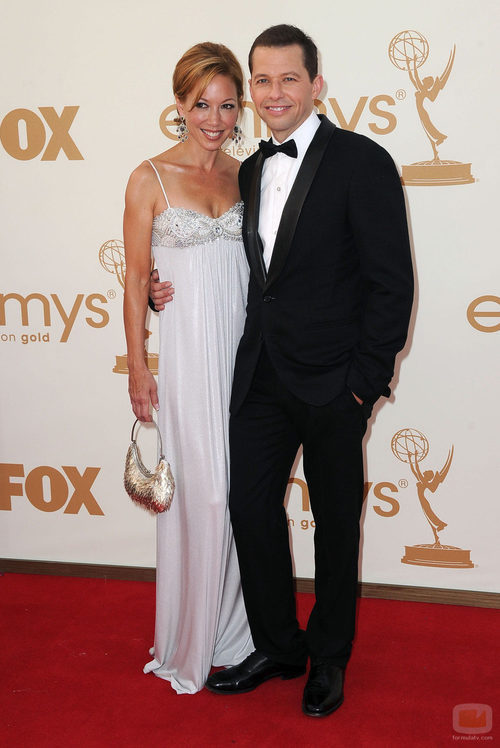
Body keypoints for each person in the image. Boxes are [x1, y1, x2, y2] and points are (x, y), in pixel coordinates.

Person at [152, 24, 414, 716]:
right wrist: (158, 286)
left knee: (335, 525)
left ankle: (328, 657)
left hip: (335, 385)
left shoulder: (362, 161)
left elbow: (392, 285)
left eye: (288, 79)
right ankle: (277, 644)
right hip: (260, 379)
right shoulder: (247, 170)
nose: (273, 93)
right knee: (248, 509)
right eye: (261, 81)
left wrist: (363, 385)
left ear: (315, 84)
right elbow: (228, 266)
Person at [123, 41, 253, 695]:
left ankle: (236, 632)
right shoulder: (149, 176)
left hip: (248, 361)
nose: (215, 119)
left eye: (227, 106)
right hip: (187, 361)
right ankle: (192, 636)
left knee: (242, 499)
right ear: (180, 104)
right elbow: (134, 279)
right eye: (202, 104)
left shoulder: (247, 175)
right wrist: (137, 367)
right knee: (204, 496)